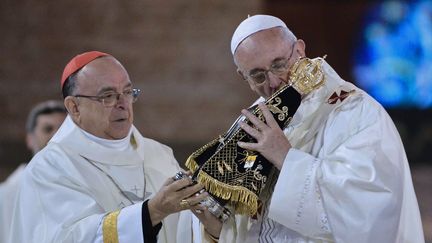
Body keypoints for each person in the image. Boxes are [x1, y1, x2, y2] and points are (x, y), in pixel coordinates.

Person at [196, 15, 425, 242]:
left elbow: (369, 208)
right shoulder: (251, 123)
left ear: (299, 50)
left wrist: (286, 158)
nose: (274, 82)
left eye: (279, 64)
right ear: (242, 76)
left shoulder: (357, 112)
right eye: (257, 75)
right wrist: (216, 229)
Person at [9, 51, 207, 243]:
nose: (123, 104)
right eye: (108, 96)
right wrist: (151, 212)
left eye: (128, 92)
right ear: (74, 107)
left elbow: (186, 229)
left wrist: (210, 227)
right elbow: (67, 238)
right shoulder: (50, 167)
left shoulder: (158, 154)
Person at [0, 100, 67, 243]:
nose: (56, 136)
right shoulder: (7, 194)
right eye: (48, 129)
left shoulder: (84, 182)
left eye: (62, 129)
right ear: (30, 139)